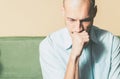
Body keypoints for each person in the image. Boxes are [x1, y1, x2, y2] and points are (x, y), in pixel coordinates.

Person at [39, 0, 120, 79]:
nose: (78, 29)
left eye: (85, 20)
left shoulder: (112, 43)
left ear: (94, 12)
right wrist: (74, 57)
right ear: (63, 12)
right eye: (72, 20)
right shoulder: (49, 47)